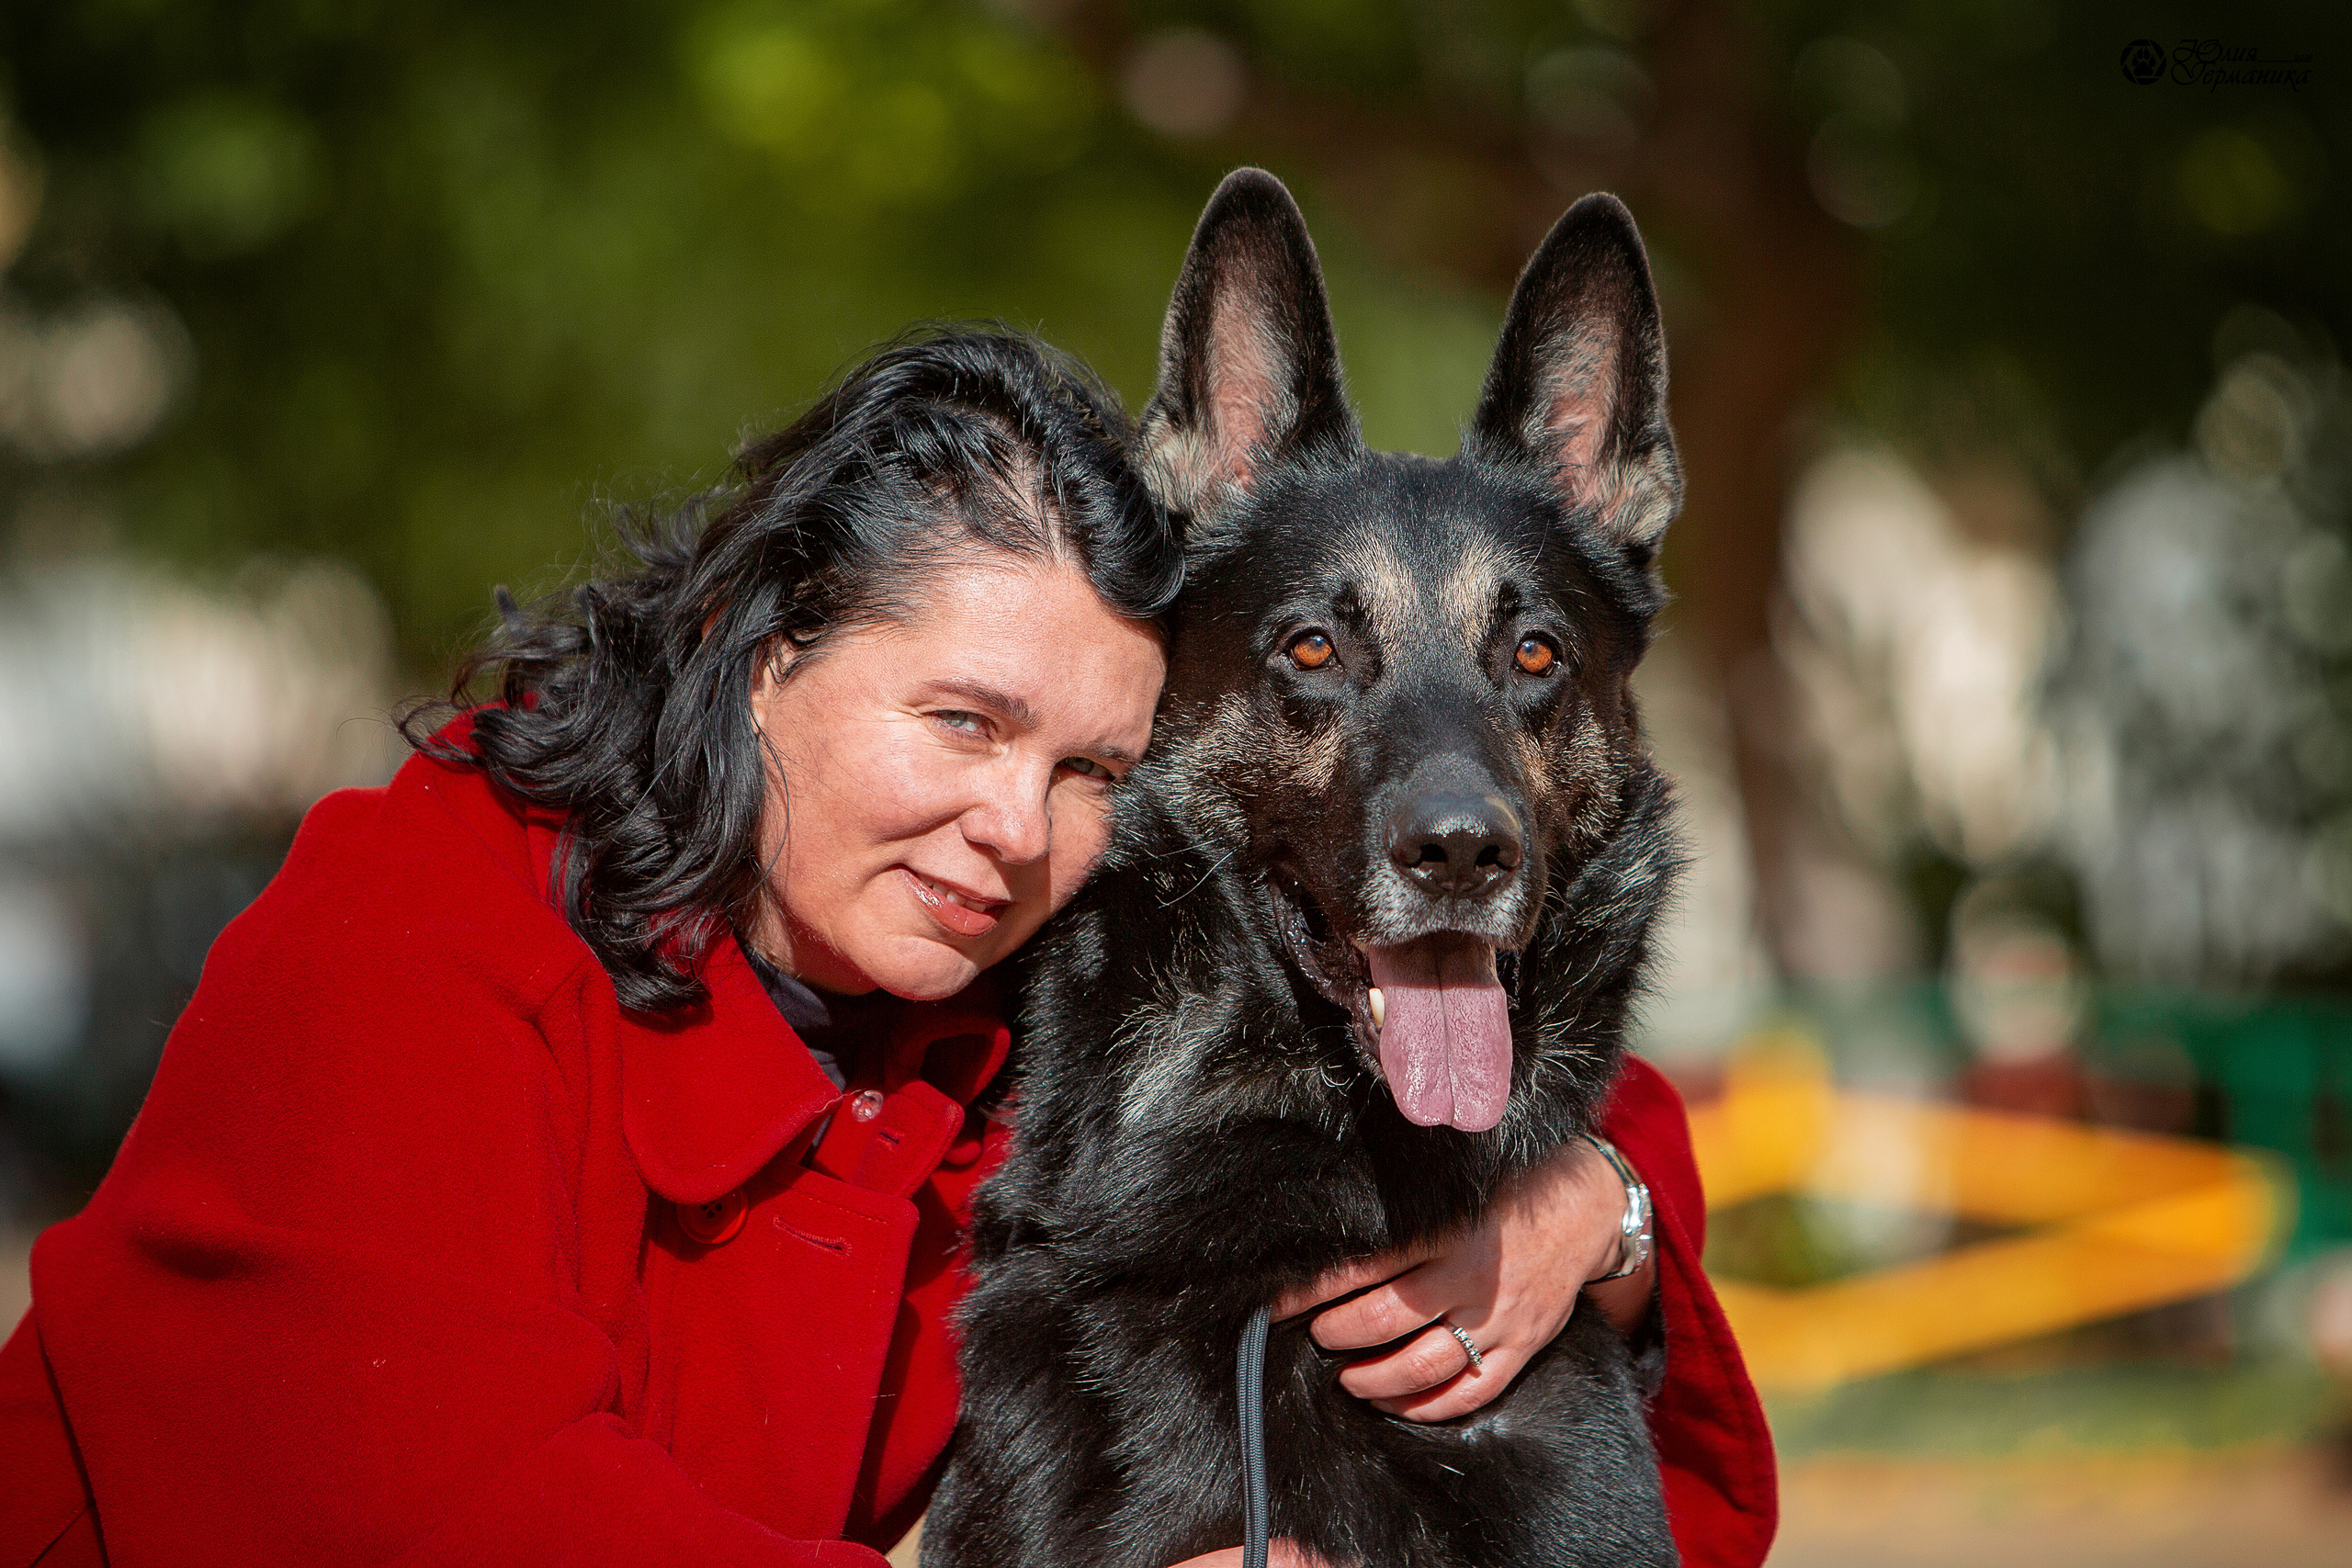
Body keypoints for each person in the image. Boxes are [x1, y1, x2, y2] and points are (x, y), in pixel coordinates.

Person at [0, 329, 1773, 1567]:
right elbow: (424, 1519)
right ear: (762, 647)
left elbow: (1422, 1078)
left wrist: (1588, 1214)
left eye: (1091, 769)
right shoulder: (418, 927)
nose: (1017, 826)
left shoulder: (981, 979)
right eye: (960, 722)